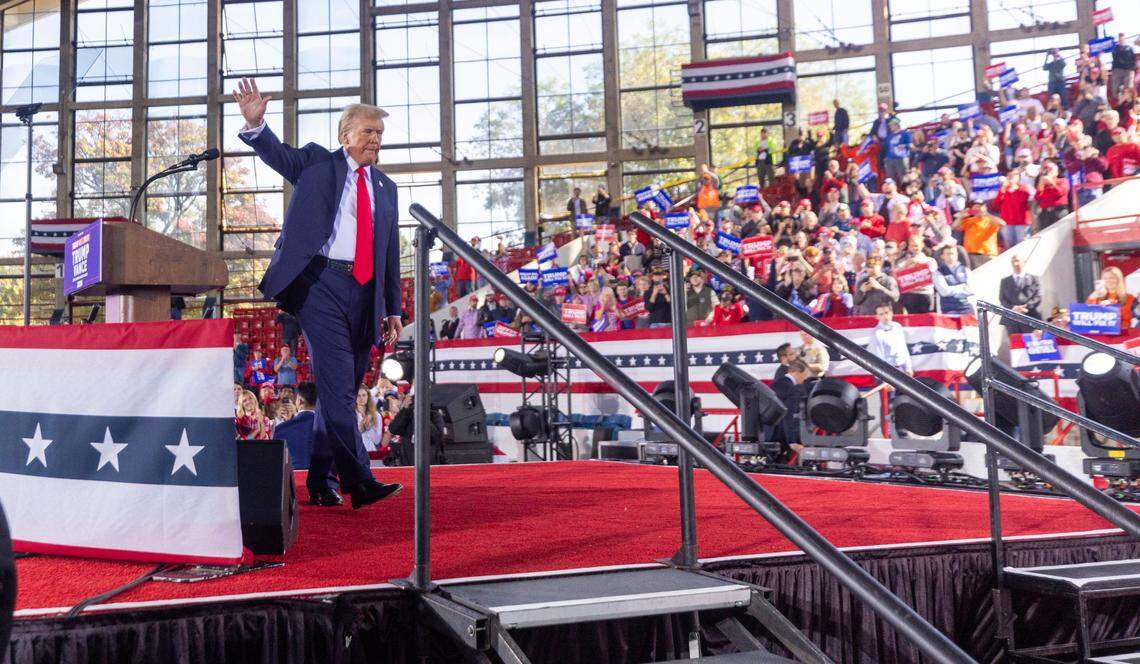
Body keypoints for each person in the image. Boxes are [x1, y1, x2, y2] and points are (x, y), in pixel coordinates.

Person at [233, 77, 402, 509]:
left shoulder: (386, 188)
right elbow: (278, 155)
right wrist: (256, 125)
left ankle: (321, 480)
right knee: (338, 387)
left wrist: (393, 309)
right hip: (320, 285)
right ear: (345, 135)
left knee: (339, 390)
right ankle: (359, 481)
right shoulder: (315, 164)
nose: (375, 140)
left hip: (366, 293)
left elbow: (389, 253)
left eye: (379, 134)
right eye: (368, 132)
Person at [275, 383, 324, 489]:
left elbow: (276, 463)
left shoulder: (280, 429)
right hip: (323, 483)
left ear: (300, 401)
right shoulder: (329, 427)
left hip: (292, 485)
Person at [769, 358, 810, 458]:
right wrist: (792, 442)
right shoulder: (792, 389)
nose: (804, 379)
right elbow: (788, 416)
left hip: (766, 434)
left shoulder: (776, 383)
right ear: (796, 372)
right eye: (804, 375)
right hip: (779, 437)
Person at [998, 255, 1042, 335]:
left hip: (1031, 317)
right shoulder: (1005, 281)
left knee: (1032, 343)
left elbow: (1038, 296)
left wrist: (1025, 307)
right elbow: (1002, 299)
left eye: (1018, 260)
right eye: (1013, 261)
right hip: (1011, 319)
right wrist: (1014, 308)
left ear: (1024, 262)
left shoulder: (1034, 278)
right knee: (1016, 345)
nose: (1015, 264)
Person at [867, 303, 912, 374]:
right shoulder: (877, 333)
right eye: (881, 314)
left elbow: (903, 348)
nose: (885, 316)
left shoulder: (897, 326)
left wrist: (908, 367)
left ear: (891, 313)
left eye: (886, 313)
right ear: (877, 317)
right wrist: (886, 376)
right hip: (887, 372)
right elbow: (878, 357)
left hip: (902, 369)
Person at [936, 244, 973, 315]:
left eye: (953, 254)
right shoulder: (938, 272)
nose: (951, 256)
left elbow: (971, 290)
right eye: (948, 254)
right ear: (942, 256)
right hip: (948, 309)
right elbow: (944, 291)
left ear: (957, 255)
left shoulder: (965, 269)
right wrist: (962, 287)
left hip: (966, 307)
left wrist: (951, 289)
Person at [1110, 33, 1137, 98]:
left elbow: (1133, 59)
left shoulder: (1129, 48)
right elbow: (1114, 58)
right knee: (1116, 89)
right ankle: (1119, 102)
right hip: (1118, 70)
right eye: (1120, 39)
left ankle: (1128, 101)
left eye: (1122, 38)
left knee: (1128, 88)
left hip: (1128, 70)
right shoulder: (1115, 49)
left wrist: (1132, 69)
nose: (1121, 40)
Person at [356, 386, 382, 452]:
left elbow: (377, 441)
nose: (361, 398)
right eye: (358, 395)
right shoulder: (350, 415)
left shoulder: (376, 415)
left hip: (370, 451)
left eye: (364, 395)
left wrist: (369, 428)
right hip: (355, 453)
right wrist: (361, 428)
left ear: (368, 396)